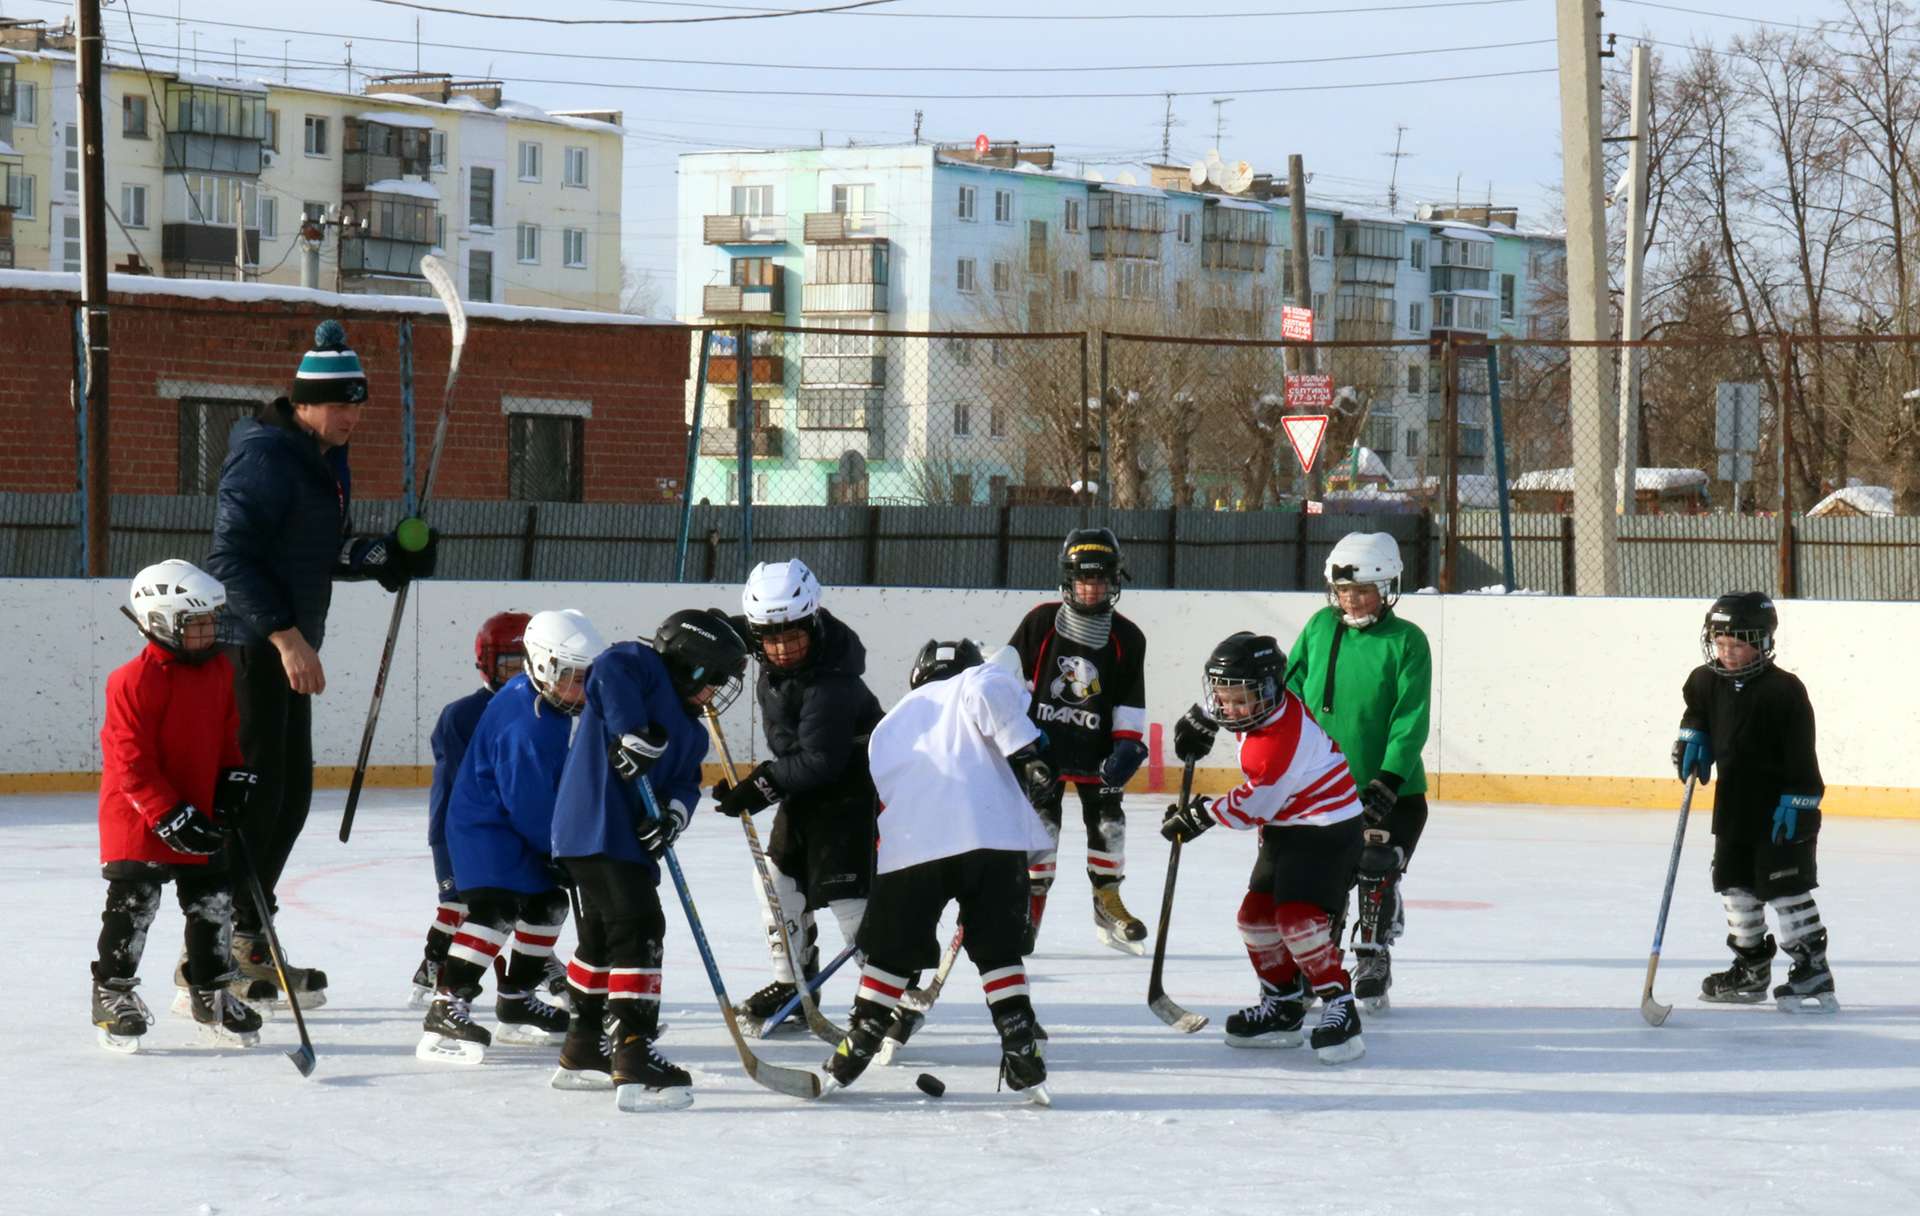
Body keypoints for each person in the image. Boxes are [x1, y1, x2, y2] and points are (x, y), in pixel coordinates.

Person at [204, 318, 437, 1007]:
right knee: (256, 799)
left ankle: (249, 933)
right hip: (249, 649)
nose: (351, 416)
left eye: (358, 404)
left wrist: (385, 556)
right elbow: (231, 557)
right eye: (340, 404)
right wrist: (285, 637)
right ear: (303, 401)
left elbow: (316, 551)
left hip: (283, 648)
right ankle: (215, 946)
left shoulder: (322, 456)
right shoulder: (265, 457)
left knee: (291, 796)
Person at [821, 640, 1055, 1102]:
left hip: (914, 846)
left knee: (890, 955)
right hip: (995, 840)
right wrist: (1027, 754)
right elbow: (990, 687)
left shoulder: (888, 725)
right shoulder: (975, 679)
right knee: (999, 954)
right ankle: (1021, 1042)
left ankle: (858, 1044)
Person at [550, 609, 749, 1111]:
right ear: (692, 663)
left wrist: (673, 817)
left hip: (626, 846)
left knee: (600, 940)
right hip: (594, 829)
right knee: (641, 926)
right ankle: (633, 1050)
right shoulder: (638, 666)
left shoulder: (692, 731)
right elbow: (608, 670)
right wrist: (630, 731)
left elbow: (686, 782)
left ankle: (582, 1047)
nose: (714, 694)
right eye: (714, 680)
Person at [1161, 632, 1367, 1064]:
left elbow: (1256, 803)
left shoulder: (1278, 743)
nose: (1229, 708)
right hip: (1286, 826)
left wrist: (1200, 815)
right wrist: (1204, 718)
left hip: (1327, 828)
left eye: (1240, 700)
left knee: (1296, 919)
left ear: (1269, 693)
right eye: (1221, 697)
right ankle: (1284, 1004)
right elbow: (1239, 702)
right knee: (1254, 919)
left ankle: (1339, 1005)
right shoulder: (1264, 709)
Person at [92, 560, 264, 1052]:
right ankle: (112, 991)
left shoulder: (217, 670)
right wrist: (167, 814)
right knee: (135, 903)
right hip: (138, 815)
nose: (209, 631)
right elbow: (130, 763)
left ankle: (209, 991)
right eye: (197, 623)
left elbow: (227, 738)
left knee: (213, 900)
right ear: (161, 622)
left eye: (212, 620)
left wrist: (233, 781)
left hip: (197, 807)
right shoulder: (132, 680)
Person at [416, 610, 601, 1064]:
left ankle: (517, 1000)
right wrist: (563, 851)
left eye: (585, 677)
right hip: (485, 828)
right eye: (571, 677)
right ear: (542, 666)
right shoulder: (531, 726)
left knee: (548, 903)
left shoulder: (538, 697)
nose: (580, 688)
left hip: (508, 822)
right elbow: (529, 804)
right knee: (494, 909)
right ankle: (447, 1004)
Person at [1265, 531, 1431, 1013]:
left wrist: (1389, 779)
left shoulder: (1407, 641)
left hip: (1390, 790)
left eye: (1362, 591)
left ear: (1387, 588)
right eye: (1343, 592)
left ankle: (1374, 952)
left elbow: (1411, 716)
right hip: (1321, 788)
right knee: (1320, 878)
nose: (1351, 600)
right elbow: (1288, 694)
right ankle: (1322, 957)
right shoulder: (1319, 627)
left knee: (1375, 863)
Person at [717, 559, 883, 1032]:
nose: (784, 648)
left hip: (851, 796)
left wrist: (760, 785)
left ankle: (890, 994)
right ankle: (793, 984)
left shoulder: (831, 680)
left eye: (795, 636)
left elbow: (820, 761)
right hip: (806, 793)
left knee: (852, 904)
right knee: (776, 883)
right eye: (772, 638)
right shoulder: (771, 653)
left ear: (813, 623)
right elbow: (724, 633)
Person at [1675, 592, 1836, 1014]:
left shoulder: (1784, 690)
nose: (1727, 653)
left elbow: (1802, 754)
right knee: (1734, 886)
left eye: (1738, 644)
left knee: (1784, 888)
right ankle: (1750, 968)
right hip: (1734, 806)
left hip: (1783, 807)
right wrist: (1693, 736)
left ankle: (1811, 968)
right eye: (1721, 643)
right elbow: (1697, 712)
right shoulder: (1704, 681)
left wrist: (1800, 801)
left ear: (1763, 642)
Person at [1008, 527, 1150, 955]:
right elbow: (1008, 684)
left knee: (1109, 825)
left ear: (1115, 582)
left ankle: (1107, 902)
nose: (1091, 590)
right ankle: (1026, 915)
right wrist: (1016, 743)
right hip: (1043, 752)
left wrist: (1127, 744)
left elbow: (1129, 697)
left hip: (1098, 753)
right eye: (1084, 580)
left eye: (1100, 580)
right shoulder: (1039, 623)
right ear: (1068, 580)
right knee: (1040, 831)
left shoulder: (1128, 637)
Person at [409, 611, 540, 1007]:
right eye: (508, 665)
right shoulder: (463, 715)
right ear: (485, 663)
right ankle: (435, 962)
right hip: (461, 831)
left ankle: (536, 966)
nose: (518, 675)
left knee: (523, 901)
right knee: (464, 903)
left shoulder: (544, 710)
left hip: (512, 831)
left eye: (526, 664)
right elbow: (458, 790)